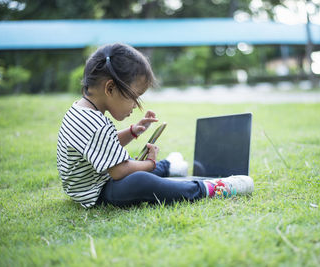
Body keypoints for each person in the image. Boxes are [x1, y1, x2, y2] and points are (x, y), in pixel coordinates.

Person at [56, 43, 254, 209]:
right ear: (110, 88)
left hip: (91, 184)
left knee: (136, 167)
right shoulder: (95, 123)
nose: (135, 105)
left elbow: (103, 147)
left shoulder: (80, 112)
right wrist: (150, 164)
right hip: (97, 193)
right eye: (135, 97)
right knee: (140, 179)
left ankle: (169, 167)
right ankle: (213, 188)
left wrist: (133, 131)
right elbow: (119, 171)